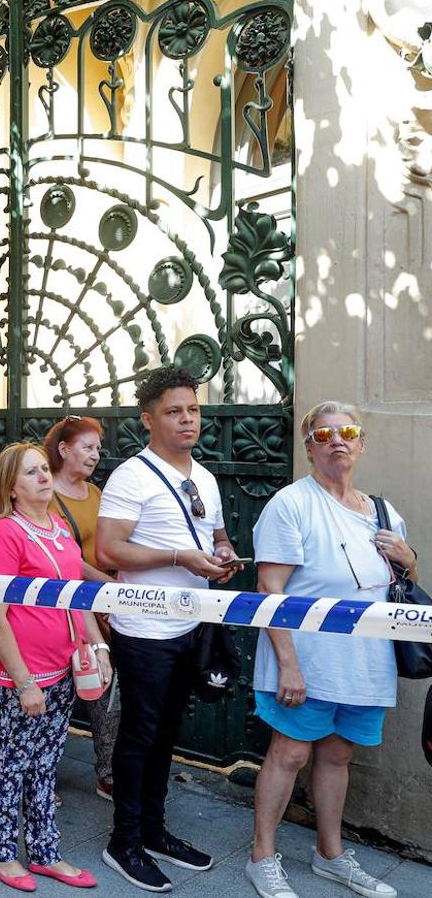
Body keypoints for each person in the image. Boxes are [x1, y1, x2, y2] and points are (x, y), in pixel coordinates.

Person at [245, 402, 410, 898]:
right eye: (324, 434)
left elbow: (398, 585)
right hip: (305, 661)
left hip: (365, 663)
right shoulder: (291, 504)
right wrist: (287, 665)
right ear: (309, 446)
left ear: (361, 443)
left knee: (337, 755)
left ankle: (331, 856)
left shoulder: (384, 512)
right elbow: (269, 589)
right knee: (290, 753)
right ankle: (262, 857)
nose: (337, 440)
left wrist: (410, 558)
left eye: (348, 432)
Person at [96, 366, 243, 892]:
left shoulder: (203, 476)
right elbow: (108, 550)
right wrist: (181, 556)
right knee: (139, 734)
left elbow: (217, 535)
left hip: (192, 627)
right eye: (173, 411)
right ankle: (124, 842)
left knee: (166, 735)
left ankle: (153, 831)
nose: (187, 420)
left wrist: (222, 555)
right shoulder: (131, 475)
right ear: (148, 419)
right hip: (146, 630)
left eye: (193, 410)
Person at [0, 441, 112, 891]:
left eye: (43, 470)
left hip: (65, 667)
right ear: (11, 487)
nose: (43, 477)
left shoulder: (58, 528)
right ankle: (1, 851)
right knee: (13, 762)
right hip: (27, 674)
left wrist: (98, 648)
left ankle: (44, 851)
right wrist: (23, 684)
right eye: (32, 472)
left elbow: (76, 597)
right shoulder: (4, 533)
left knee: (46, 761)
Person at [45, 414, 120, 802]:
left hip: (100, 605)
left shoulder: (95, 494)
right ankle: (42, 774)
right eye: (87, 447)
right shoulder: (46, 495)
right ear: (64, 449)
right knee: (57, 693)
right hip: (62, 606)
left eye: (97, 448)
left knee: (104, 690)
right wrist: (106, 584)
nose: (95, 455)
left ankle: (107, 772)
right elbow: (65, 557)